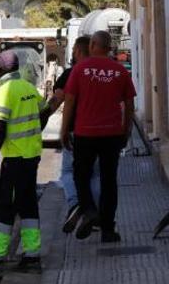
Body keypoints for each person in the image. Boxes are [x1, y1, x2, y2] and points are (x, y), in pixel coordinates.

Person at [0, 50, 47, 278]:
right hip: (32, 156)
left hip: (14, 158)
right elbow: (43, 111)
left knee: (5, 207)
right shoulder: (28, 87)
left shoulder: (4, 91)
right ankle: (31, 255)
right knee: (28, 205)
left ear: (1, 69)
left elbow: (0, 127)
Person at [61, 30, 136, 243]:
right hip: (112, 133)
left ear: (93, 44)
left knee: (80, 175)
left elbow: (70, 101)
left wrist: (64, 130)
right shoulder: (120, 71)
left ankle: (88, 209)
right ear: (109, 46)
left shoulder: (80, 69)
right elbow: (129, 105)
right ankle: (108, 230)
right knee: (109, 181)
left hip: (85, 133)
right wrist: (127, 130)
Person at [41, 36, 100, 233]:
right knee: (95, 174)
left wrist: (43, 118)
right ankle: (92, 212)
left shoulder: (70, 73)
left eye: (74, 50)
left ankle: (76, 205)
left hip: (77, 131)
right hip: (103, 132)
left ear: (77, 51)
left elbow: (56, 101)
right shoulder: (102, 73)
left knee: (68, 172)